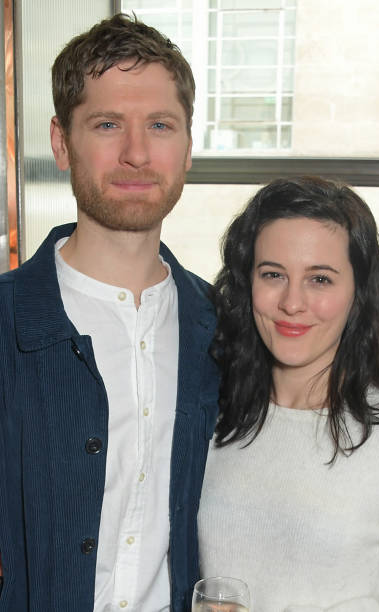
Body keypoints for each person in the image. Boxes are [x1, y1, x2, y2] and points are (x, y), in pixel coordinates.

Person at [0, 13, 219, 612]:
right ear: (60, 142)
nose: (137, 152)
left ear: (188, 147)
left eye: (160, 124)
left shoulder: (226, 332)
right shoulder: (7, 321)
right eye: (106, 124)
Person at [198, 176, 379, 612]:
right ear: (247, 284)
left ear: (358, 294)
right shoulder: (212, 412)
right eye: (273, 274)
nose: (292, 303)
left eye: (320, 279)